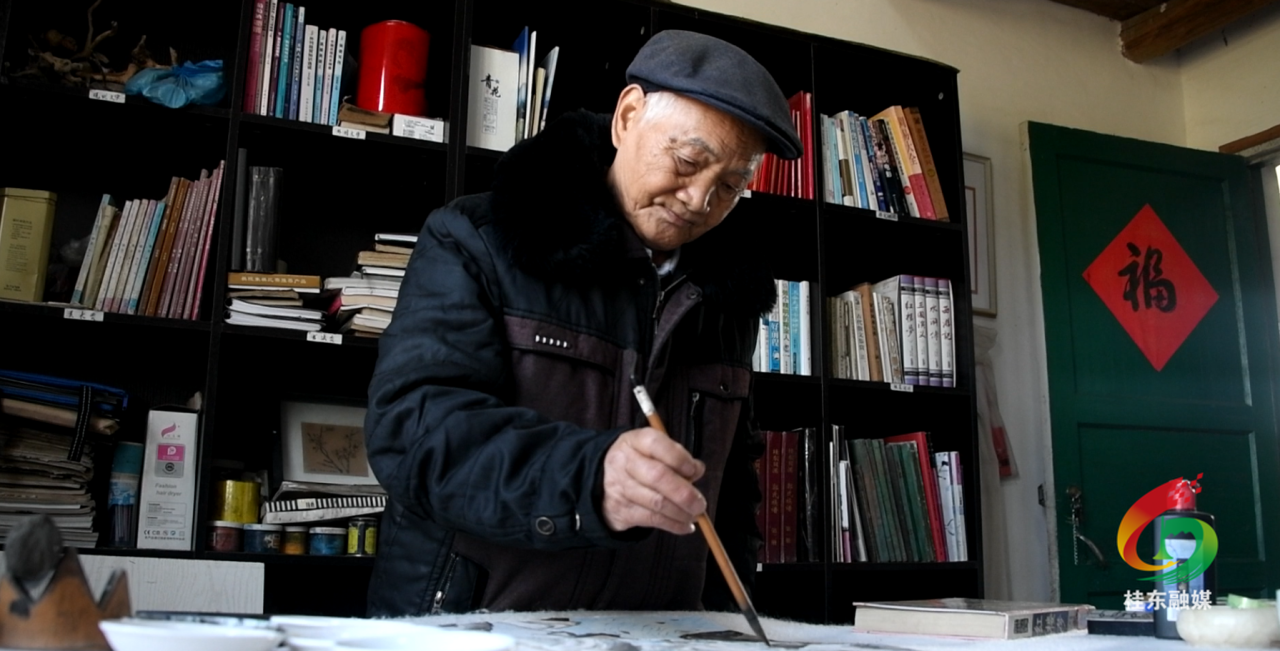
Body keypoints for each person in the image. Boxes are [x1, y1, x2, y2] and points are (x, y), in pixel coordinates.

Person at [364, 29, 802, 617]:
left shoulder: (726, 299)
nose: (700, 200)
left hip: (661, 635)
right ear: (627, 116)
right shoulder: (476, 241)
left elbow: (731, 496)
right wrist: (590, 480)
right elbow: (415, 433)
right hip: (478, 628)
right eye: (687, 161)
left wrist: (726, 620)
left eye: (730, 185)